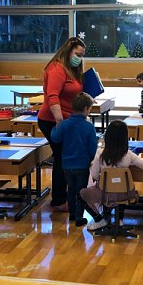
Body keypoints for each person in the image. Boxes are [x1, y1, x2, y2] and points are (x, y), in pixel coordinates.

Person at [37, 36, 86, 211]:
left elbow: (74, 92)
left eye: (81, 56)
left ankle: (63, 195)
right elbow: (52, 96)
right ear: (68, 51)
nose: (79, 58)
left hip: (66, 119)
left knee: (64, 156)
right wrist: (60, 121)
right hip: (52, 120)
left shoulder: (71, 69)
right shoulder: (57, 68)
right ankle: (58, 200)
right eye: (77, 54)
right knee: (62, 157)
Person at [80, 120, 143, 231]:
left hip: (105, 194)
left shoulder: (100, 154)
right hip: (126, 194)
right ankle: (120, 220)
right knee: (121, 188)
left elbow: (95, 175)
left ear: (107, 136)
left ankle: (99, 219)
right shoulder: (128, 154)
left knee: (82, 194)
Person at [50, 93, 98, 226]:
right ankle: (79, 217)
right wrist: (90, 159)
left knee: (70, 190)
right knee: (81, 192)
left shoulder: (65, 124)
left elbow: (55, 138)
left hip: (66, 165)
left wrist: (55, 127)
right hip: (82, 164)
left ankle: (71, 213)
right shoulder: (89, 127)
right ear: (86, 108)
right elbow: (92, 147)